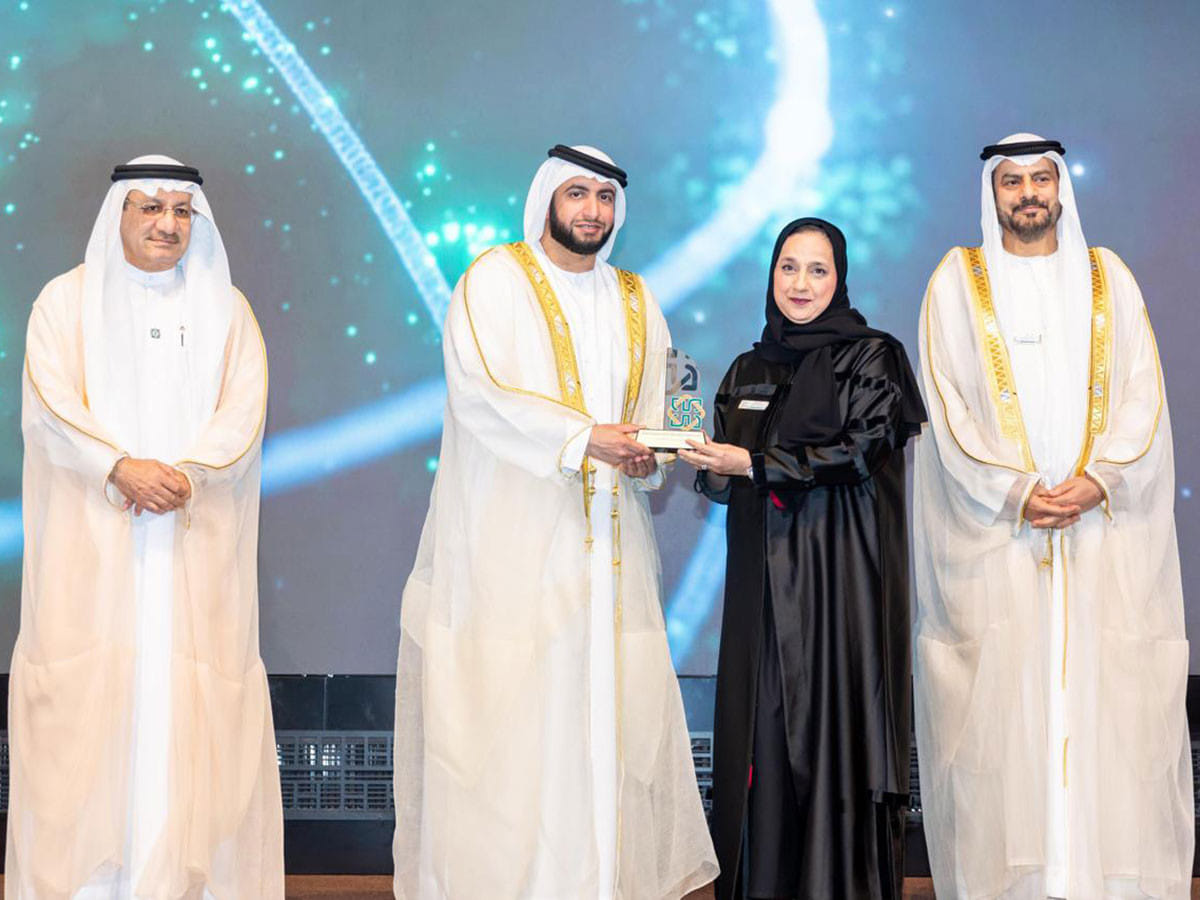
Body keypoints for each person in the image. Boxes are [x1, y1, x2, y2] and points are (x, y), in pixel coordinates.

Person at [392, 144, 718, 899]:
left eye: (605, 197)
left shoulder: (636, 297)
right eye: (577, 194)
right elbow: (480, 394)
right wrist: (582, 438)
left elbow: (656, 407)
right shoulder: (493, 279)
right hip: (509, 552)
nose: (592, 211)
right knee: (509, 729)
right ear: (547, 200)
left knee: (602, 724)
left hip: (610, 555)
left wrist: (651, 455)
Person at [913, 133, 1191, 898]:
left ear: (1061, 188)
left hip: (1100, 538)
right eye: (1012, 181)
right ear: (991, 193)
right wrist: (1013, 491)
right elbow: (946, 402)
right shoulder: (956, 282)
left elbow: (1143, 393)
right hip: (1000, 543)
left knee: (1109, 716)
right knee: (1004, 727)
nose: (1029, 193)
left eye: (1041, 178)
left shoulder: (1110, 278)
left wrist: (1101, 480)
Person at [11, 156, 282, 898]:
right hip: (94, 549)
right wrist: (119, 466)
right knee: (84, 721)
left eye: (181, 211)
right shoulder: (64, 303)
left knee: (192, 721)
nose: (168, 224)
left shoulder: (229, 311)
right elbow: (50, 406)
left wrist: (189, 474)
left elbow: (244, 411)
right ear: (119, 216)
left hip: (193, 545)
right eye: (151, 208)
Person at [680, 217, 926, 900]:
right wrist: (706, 460)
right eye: (788, 267)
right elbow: (727, 473)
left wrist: (754, 464)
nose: (800, 284)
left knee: (835, 743)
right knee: (762, 741)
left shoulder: (873, 357)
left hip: (840, 586)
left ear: (839, 279)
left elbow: (859, 452)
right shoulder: (749, 367)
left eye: (818, 270)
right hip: (764, 587)